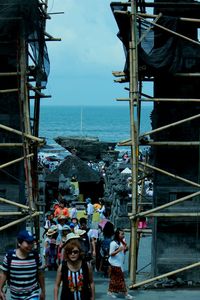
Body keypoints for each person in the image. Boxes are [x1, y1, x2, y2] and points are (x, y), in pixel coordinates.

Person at [0, 229, 45, 300]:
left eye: (32, 243)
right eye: (28, 243)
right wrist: (0, 289)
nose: (31, 245)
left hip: (32, 294)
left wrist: (43, 291)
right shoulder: (10, 256)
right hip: (15, 296)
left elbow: (40, 274)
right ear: (19, 243)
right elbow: (4, 274)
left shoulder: (36, 256)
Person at [54, 235, 95, 300]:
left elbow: (91, 282)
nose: (72, 254)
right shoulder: (62, 267)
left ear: (79, 252)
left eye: (75, 252)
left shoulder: (86, 265)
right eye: (70, 252)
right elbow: (57, 285)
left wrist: (92, 297)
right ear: (66, 253)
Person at [107, 228, 133, 299]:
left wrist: (126, 248)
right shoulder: (113, 243)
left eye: (123, 234)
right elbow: (111, 253)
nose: (123, 235)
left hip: (119, 262)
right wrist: (119, 250)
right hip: (114, 264)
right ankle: (126, 294)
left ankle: (110, 291)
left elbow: (124, 250)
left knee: (114, 278)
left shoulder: (122, 241)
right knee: (121, 279)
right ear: (117, 235)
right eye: (122, 234)